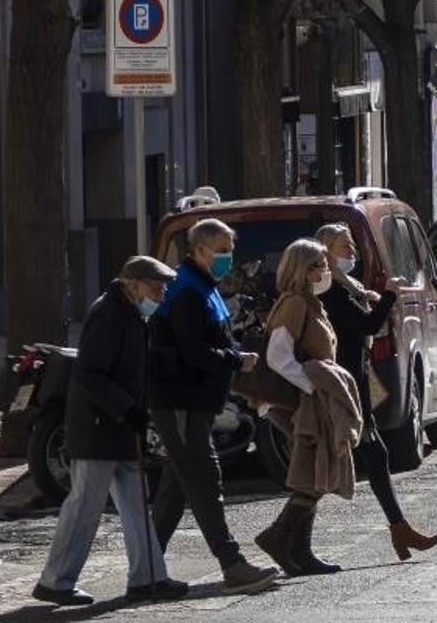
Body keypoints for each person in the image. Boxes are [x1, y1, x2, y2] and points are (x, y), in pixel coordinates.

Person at [33, 257, 189, 607]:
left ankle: (149, 577)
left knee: (135, 505)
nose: (161, 293)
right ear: (133, 283)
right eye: (155, 286)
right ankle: (55, 581)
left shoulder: (130, 314)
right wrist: (126, 408)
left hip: (116, 427)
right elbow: (91, 374)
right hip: (99, 428)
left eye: (163, 287)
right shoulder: (110, 313)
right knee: (84, 507)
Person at [148, 218, 279, 594]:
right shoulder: (187, 290)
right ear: (198, 250)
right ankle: (231, 562)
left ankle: (147, 566)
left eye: (230, 249)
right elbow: (193, 351)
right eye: (221, 250)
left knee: (177, 486)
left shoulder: (204, 286)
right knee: (204, 479)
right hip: (181, 400)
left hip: (194, 401)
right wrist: (236, 361)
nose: (228, 257)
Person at [314, 224, 437, 561]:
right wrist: (387, 294)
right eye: (345, 246)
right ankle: (287, 535)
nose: (352, 252)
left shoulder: (348, 289)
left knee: (375, 456)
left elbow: (365, 321)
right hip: (341, 388)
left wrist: (373, 298)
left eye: (353, 245)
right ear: (326, 252)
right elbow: (368, 325)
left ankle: (400, 530)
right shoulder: (332, 293)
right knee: (321, 469)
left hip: (355, 386)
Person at [254, 239, 363, 576]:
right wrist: (313, 385)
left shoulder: (312, 304)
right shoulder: (294, 304)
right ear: (299, 270)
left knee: (317, 468)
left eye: (324, 264)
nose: (324, 271)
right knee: (316, 470)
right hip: (299, 402)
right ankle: (278, 537)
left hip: (311, 400)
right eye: (315, 265)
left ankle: (300, 551)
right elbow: (277, 357)